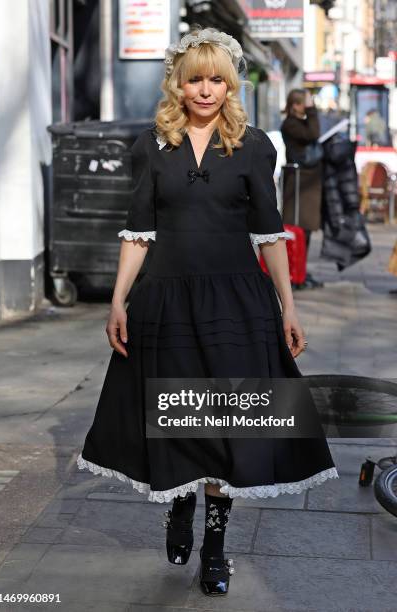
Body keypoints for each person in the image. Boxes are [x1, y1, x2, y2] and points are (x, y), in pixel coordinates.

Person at [77, 27, 339, 597]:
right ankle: (177, 507)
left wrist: (287, 306)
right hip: (166, 301)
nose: (205, 89)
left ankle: (216, 550)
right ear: (178, 81)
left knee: (228, 429)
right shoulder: (151, 145)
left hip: (238, 303)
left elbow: (270, 235)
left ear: (230, 83)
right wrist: (119, 299)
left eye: (216, 79)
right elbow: (138, 233)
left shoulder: (255, 146)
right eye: (195, 78)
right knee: (176, 418)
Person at [281, 89, 324, 289]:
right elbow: (313, 134)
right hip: (299, 184)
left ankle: (301, 273)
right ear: (296, 105)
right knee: (298, 229)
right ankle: (295, 275)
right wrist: (313, 111)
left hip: (308, 182)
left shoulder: (300, 122)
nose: (307, 106)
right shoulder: (290, 124)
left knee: (305, 232)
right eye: (305, 103)